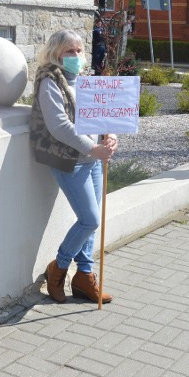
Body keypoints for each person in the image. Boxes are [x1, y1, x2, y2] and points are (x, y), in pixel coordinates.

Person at [29, 29, 118, 304]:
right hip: (71, 160)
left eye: (79, 50)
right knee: (89, 220)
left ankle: (84, 277)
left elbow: (101, 113)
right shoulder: (49, 82)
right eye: (70, 51)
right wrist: (92, 148)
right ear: (56, 53)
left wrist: (110, 134)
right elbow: (59, 126)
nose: (76, 56)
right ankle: (58, 268)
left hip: (93, 160)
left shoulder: (85, 81)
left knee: (91, 223)